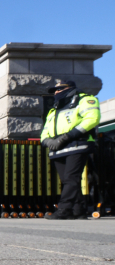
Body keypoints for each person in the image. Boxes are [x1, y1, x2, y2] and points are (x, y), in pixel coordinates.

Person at [41, 81, 101, 220]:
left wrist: (68, 136)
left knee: (71, 178)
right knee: (68, 180)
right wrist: (49, 142)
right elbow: (44, 132)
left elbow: (92, 118)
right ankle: (79, 210)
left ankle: (64, 209)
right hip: (58, 148)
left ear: (71, 89)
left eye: (60, 89)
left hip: (77, 144)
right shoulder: (53, 110)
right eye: (54, 90)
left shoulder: (85, 99)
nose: (56, 92)